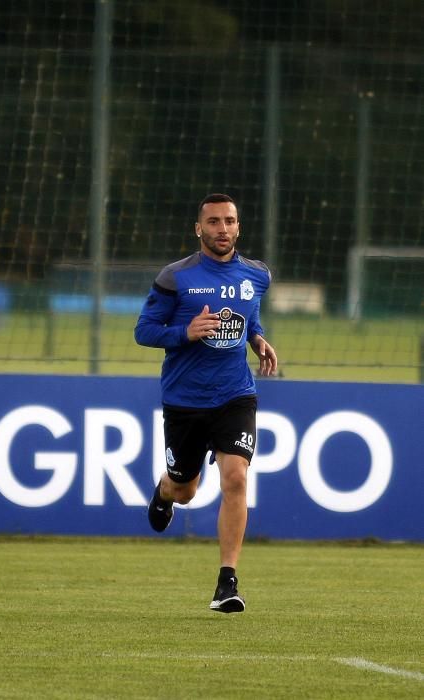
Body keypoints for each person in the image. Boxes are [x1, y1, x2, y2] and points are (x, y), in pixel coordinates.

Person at [134, 193, 277, 613]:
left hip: (235, 393)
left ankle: (227, 582)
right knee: (186, 489)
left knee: (235, 478)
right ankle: (164, 490)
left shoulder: (257, 275)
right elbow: (144, 331)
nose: (222, 229)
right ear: (199, 229)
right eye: (213, 222)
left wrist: (257, 338)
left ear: (239, 227)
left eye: (229, 221)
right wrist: (185, 332)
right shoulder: (175, 277)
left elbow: (248, 315)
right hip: (185, 400)